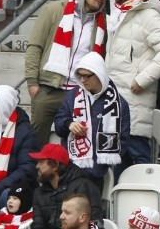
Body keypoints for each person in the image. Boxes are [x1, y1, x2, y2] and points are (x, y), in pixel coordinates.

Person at [106, 0, 160, 167]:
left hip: (134, 101)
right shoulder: (119, 13)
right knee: (116, 162)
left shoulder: (149, 16)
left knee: (139, 161)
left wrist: (142, 80)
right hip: (114, 101)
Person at [25, 0, 109, 145]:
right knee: (36, 142)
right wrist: (32, 82)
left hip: (79, 91)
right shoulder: (54, 10)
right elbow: (35, 46)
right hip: (49, 87)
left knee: (75, 143)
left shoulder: (102, 22)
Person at [4, 144, 103, 229]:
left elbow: (94, 228)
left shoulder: (84, 187)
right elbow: (37, 226)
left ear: (55, 165)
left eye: (41, 162)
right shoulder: (39, 192)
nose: (37, 166)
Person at [54, 52, 130, 187]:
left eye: (86, 76)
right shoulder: (72, 96)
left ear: (99, 74)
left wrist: (100, 159)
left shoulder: (119, 104)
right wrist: (68, 124)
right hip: (68, 169)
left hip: (95, 175)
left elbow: (122, 141)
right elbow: (59, 125)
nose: (82, 80)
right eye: (80, 76)